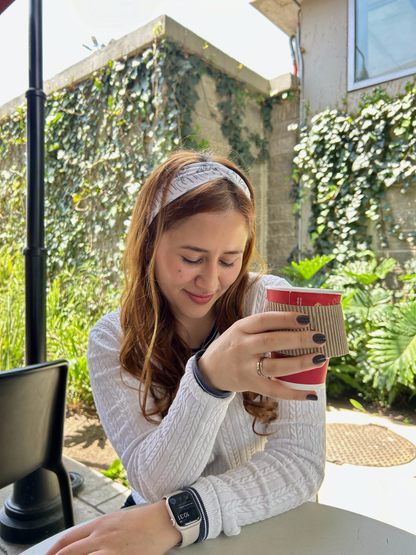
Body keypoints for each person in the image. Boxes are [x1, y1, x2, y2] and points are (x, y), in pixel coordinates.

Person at [46, 150, 326, 555]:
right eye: (191, 258)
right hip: (157, 528)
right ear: (149, 245)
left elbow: (301, 463)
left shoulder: (275, 303)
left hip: (248, 523)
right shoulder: (112, 339)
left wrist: (182, 515)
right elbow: (155, 484)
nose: (211, 281)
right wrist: (208, 381)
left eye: (230, 260)